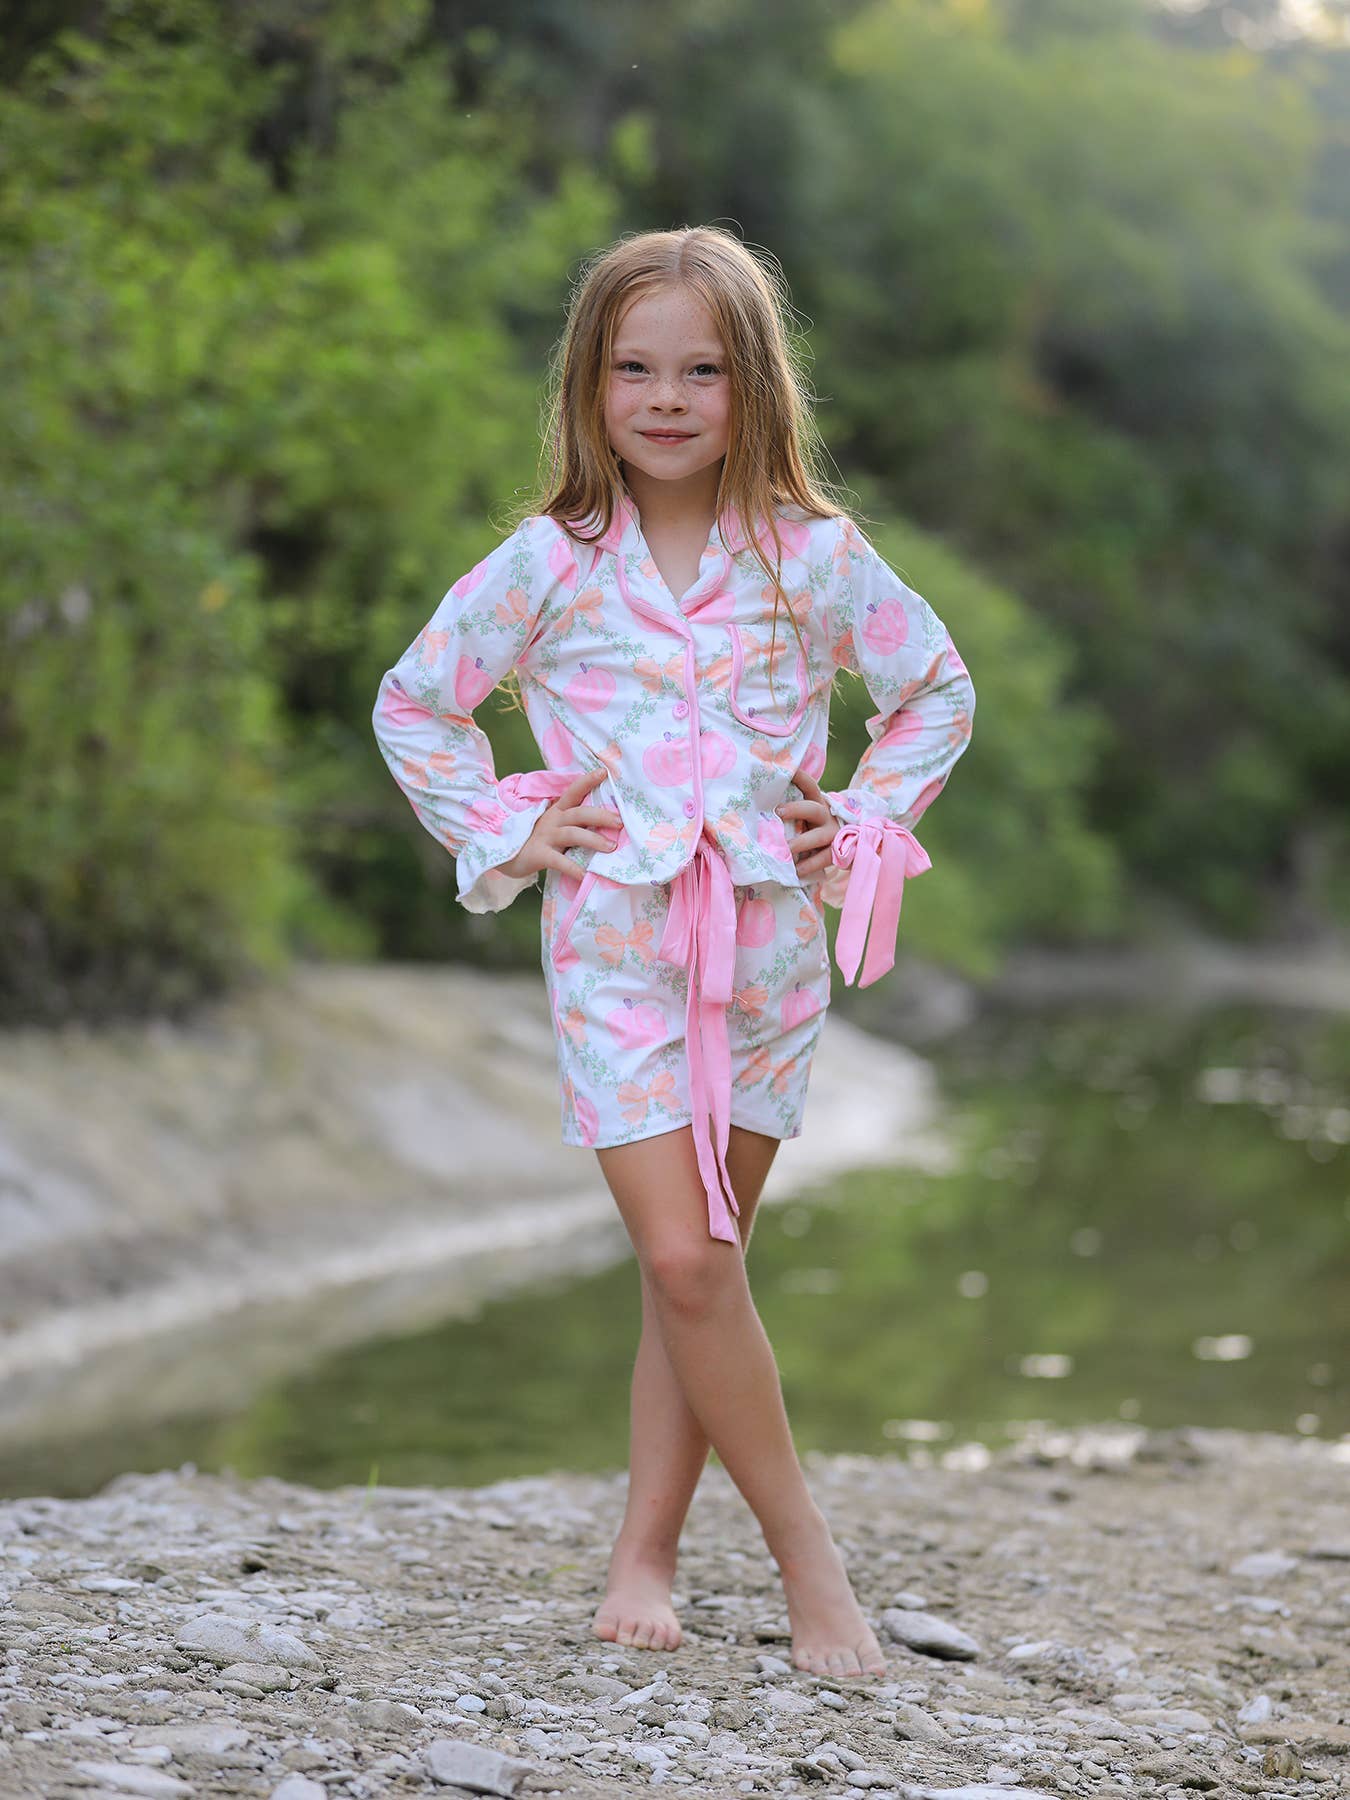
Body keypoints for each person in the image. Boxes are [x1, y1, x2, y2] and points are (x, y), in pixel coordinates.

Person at [371, 225, 976, 1680]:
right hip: (615, 951)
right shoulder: (549, 563)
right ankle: (809, 1562)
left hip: (767, 957)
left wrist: (864, 823)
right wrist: (511, 832)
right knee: (685, 1259)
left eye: (700, 371)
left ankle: (644, 1553)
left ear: (752, 384)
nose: (664, 398)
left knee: (700, 1272)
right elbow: (415, 703)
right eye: (633, 368)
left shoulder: (815, 560)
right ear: (589, 384)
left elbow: (935, 691)